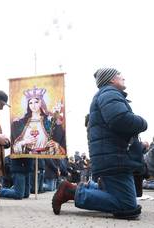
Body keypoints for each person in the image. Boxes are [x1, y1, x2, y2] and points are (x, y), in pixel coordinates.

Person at [52, 68, 147, 219]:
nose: (123, 77)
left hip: (113, 155)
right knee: (127, 206)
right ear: (111, 80)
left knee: (123, 196)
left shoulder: (107, 94)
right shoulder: (110, 93)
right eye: (119, 75)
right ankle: (72, 191)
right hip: (115, 157)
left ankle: (82, 188)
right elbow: (120, 119)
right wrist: (142, 122)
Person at [11, 87, 65, 155]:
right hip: (28, 158)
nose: (33, 105)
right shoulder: (21, 122)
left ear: (41, 102)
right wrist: (24, 142)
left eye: (36, 102)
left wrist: (55, 145)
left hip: (45, 157)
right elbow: (15, 147)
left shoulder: (49, 121)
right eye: (30, 103)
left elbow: (59, 141)